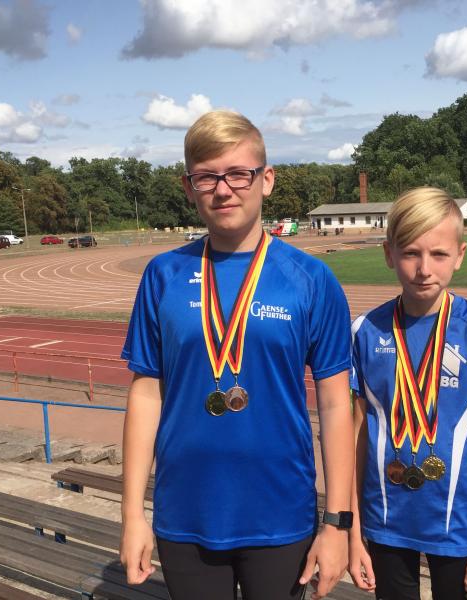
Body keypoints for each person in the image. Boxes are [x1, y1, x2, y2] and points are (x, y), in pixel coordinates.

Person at [119, 110, 355, 600]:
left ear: (266, 180)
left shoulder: (311, 279)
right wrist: (131, 515)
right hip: (185, 513)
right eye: (207, 177)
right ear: (188, 188)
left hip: (281, 513)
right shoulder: (163, 275)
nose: (223, 190)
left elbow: (336, 406)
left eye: (238, 174)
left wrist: (337, 524)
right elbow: (145, 395)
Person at [348, 187, 467, 600]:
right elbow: (354, 438)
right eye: (411, 253)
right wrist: (352, 534)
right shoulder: (365, 331)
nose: (424, 269)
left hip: (459, 527)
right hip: (385, 523)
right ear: (389, 254)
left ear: (460, 255)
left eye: (439, 254)